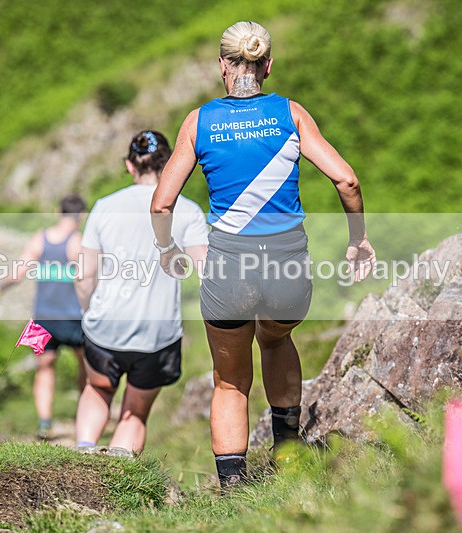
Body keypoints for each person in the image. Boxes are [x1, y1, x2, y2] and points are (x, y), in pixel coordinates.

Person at [150, 21, 376, 487]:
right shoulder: (291, 114)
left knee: (230, 380)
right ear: (267, 66)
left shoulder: (199, 122)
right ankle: (288, 456)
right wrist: (358, 239)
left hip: (230, 268)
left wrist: (167, 248)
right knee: (275, 339)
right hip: (287, 266)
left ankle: (233, 486)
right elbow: (347, 180)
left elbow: (162, 202)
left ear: (222, 67)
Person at [74, 131, 208, 453]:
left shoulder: (105, 207)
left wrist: (87, 311)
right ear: (170, 166)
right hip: (158, 332)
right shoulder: (187, 211)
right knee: (134, 412)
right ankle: (120, 477)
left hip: (105, 325)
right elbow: (207, 274)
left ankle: (82, 450)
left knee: (97, 389)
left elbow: (84, 274)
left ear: (129, 166)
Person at [0, 194, 88, 440]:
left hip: (41, 317)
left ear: (58, 212)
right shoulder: (77, 242)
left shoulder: (39, 239)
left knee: (44, 369)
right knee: (86, 367)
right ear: (81, 216)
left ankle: (44, 423)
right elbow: (86, 280)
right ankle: (84, 419)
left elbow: (18, 272)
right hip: (73, 318)